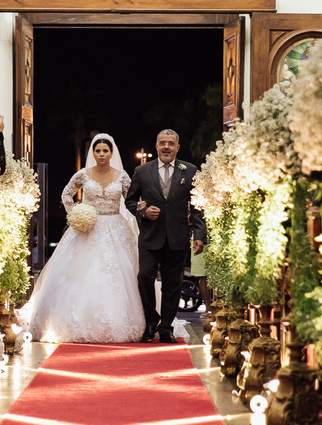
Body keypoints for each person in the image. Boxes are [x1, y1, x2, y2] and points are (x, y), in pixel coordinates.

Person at [22, 134, 145, 343]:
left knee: (118, 272)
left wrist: (140, 207)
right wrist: (77, 213)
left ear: (111, 153)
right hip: (89, 227)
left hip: (116, 226)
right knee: (83, 271)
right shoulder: (83, 174)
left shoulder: (122, 175)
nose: (102, 154)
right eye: (98, 151)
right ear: (93, 153)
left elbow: (131, 199)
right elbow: (66, 194)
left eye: (105, 151)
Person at [126, 129, 206, 343]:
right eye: (162, 143)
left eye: (171, 143)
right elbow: (130, 201)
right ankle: (151, 320)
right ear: (157, 146)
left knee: (173, 283)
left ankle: (166, 327)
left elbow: (197, 205)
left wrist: (199, 234)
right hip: (150, 236)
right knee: (145, 276)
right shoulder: (142, 171)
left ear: (177, 147)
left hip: (177, 235)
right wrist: (143, 211)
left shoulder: (189, 170)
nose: (166, 147)